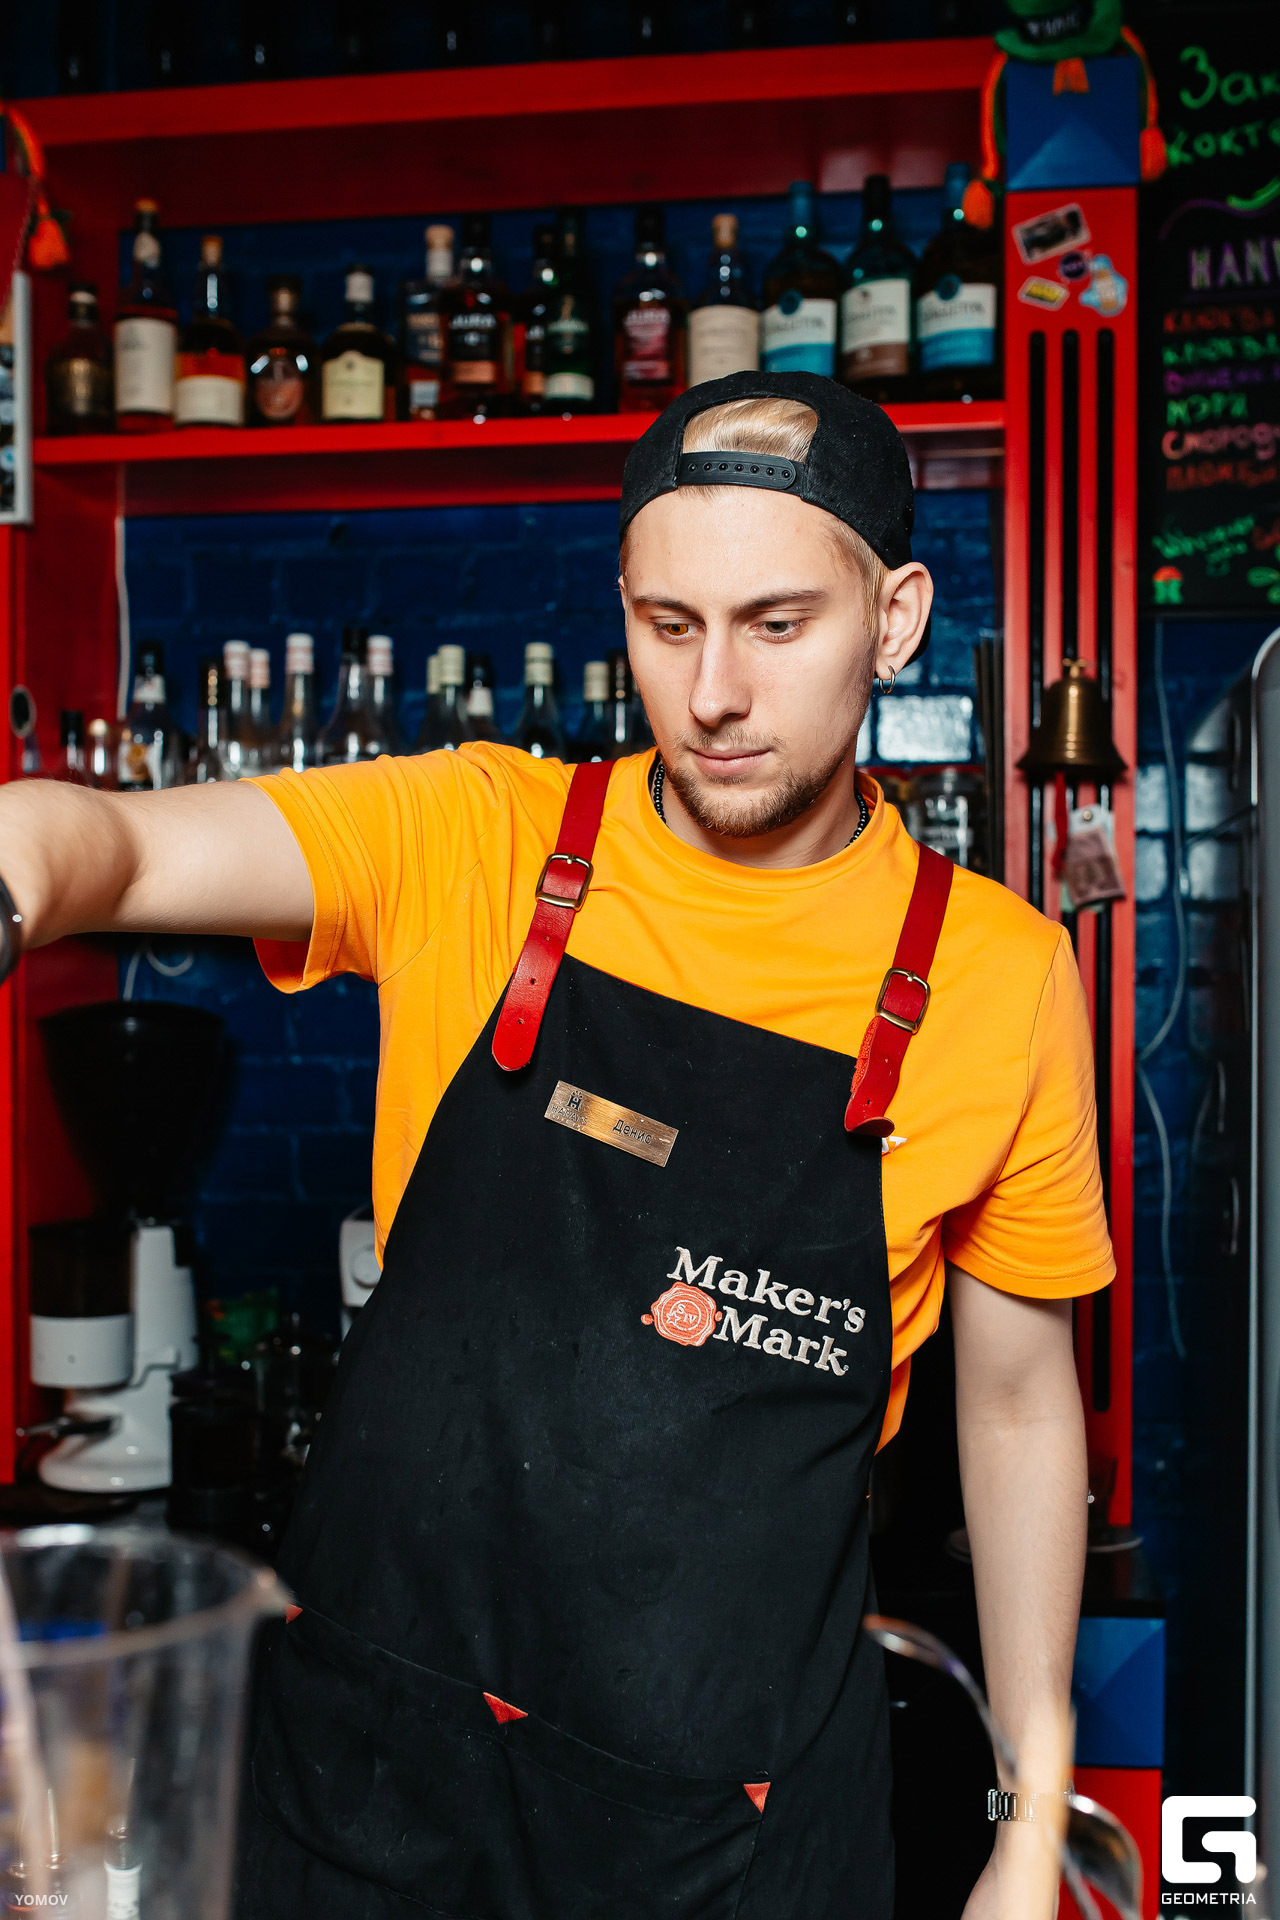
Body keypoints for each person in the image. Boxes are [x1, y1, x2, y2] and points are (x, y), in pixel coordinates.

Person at [0, 372, 1111, 1920]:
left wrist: (1031, 1818)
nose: (713, 692)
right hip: (372, 1781)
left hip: (731, 1830)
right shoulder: (477, 838)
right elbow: (108, 846)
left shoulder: (999, 978)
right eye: (668, 624)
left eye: (777, 625)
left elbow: (1016, 1407)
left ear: (895, 618)